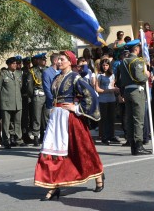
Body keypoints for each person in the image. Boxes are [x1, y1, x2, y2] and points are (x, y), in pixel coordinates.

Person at [34, 51, 104, 200]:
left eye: (62, 59)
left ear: (70, 61)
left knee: (82, 150)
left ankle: (98, 174)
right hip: (56, 118)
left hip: (70, 118)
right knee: (53, 151)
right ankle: (54, 185)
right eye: (58, 59)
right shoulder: (56, 78)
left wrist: (77, 108)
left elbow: (90, 94)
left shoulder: (75, 77)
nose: (58, 62)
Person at [117, 39, 153, 155]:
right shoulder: (137, 61)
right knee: (138, 119)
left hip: (127, 91)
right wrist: (146, 75)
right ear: (136, 49)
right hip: (137, 91)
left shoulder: (123, 62)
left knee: (131, 119)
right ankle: (138, 145)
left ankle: (133, 144)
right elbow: (139, 77)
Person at [0, 56, 24, 148]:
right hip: (7, 102)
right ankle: (5, 140)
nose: (15, 65)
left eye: (16, 63)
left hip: (17, 102)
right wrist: (4, 97)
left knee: (18, 121)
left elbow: (20, 87)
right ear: (8, 64)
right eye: (13, 63)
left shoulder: (19, 73)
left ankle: (18, 139)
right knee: (6, 123)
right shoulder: (3, 74)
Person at [95, 58, 119, 144]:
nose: (105, 67)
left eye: (107, 65)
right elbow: (97, 89)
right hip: (102, 100)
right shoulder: (99, 75)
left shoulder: (112, 75)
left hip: (111, 99)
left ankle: (111, 135)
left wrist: (115, 89)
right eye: (104, 65)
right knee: (104, 119)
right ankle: (104, 137)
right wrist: (108, 91)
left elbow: (112, 85)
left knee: (111, 118)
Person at [28, 53, 48, 146]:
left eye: (45, 60)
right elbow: (30, 87)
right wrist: (33, 96)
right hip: (38, 96)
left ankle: (45, 135)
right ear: (38, 61)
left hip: (47, 96)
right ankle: (36, 136)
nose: (44, 61)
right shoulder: (32, 71)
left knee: (46, 117)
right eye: (42, 60)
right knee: (36, 117)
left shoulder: (48, 70)